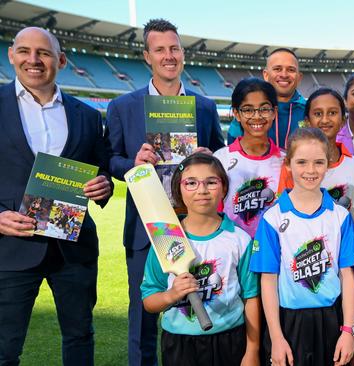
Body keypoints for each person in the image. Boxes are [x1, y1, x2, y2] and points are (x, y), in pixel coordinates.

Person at [105, 18, 225, 366]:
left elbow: (219, 155)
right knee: (143, 319)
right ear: (147, 56)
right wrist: (132, 162)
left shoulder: (203, 107)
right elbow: (109, 159)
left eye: (174, 48)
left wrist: (208, 158)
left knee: (201, 305)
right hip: (147, 227)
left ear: (182, 54)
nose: (168, 56)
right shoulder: (123, 106)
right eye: (160, 49)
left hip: (196, 223)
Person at [0, 27, 113, 365]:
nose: (33, 60)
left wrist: (104, 184)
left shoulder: (88, 116)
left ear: (60, 60)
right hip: (12, 248)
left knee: (79, 338)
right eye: (24, 51)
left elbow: (102, 167)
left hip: (73, 248)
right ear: (11, 56)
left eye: (44, 53)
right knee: (4, 348)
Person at [250, 128, 354, 366]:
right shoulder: (272, 218)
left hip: (331, 317)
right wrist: (276, 337)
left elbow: (347, 275)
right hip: (287, 322)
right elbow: (268, 281)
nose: (310, 170)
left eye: (318, 162)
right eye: (302, 162)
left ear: (328, 164)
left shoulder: (340, 216)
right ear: (288, 164)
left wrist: (348, 331)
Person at [140, 154, 260, 366]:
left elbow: (251, 297)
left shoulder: (239, 239)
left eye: (211, 182)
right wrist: (171, 295)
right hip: (179, 343)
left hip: (230, 339)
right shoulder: (166, 238)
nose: (202, 190)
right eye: (191, 183)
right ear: (178, 190)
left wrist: (252, 350)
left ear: (224, 188)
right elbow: (149, 301)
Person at [213, 78, 285, 238]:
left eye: (264, 109)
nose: (257, 116)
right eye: (248, 110)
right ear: (237, 114)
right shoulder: (220, 159)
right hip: (233, 250)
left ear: (274, 112)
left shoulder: (286, 161)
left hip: (273, 253)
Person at [278, 88, 354, 224]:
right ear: (307, 121)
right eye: (318, 113)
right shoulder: (294, 166)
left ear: (343, 121)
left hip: (346, 242)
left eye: (332, 113)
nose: (325, 119)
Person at [227, 48, 306, 148]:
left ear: (299, 77)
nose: (284, 75)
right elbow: (232, 153)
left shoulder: (309, 111)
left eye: (291, 70)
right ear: (266, 75)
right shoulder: (247, 113)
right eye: (277, 69)